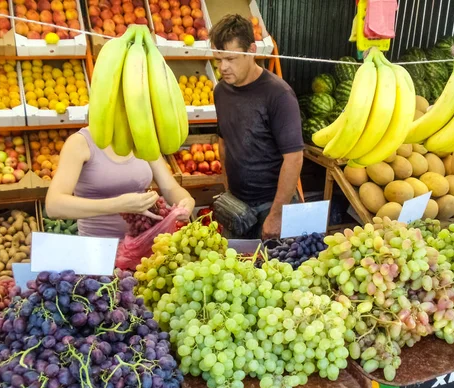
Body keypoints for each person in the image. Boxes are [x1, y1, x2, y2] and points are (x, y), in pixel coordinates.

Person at [210, 14, 304, 240]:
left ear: (252, 50)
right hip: (238, 206)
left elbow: (294, 158)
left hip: (272, 205)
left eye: (231, 59)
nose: (223, 67)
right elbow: (224, 142)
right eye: (218, 59)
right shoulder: (221, 91)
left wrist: (277, 214)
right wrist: (227, 188)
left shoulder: (278, 95)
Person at [45, 127, 195, 239]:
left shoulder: (143, 139)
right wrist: (118, 205)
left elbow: (170, 187)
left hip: (144, 245)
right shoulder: (80, 142)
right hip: (98, 249)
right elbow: (54, 206)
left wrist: (186, 201)